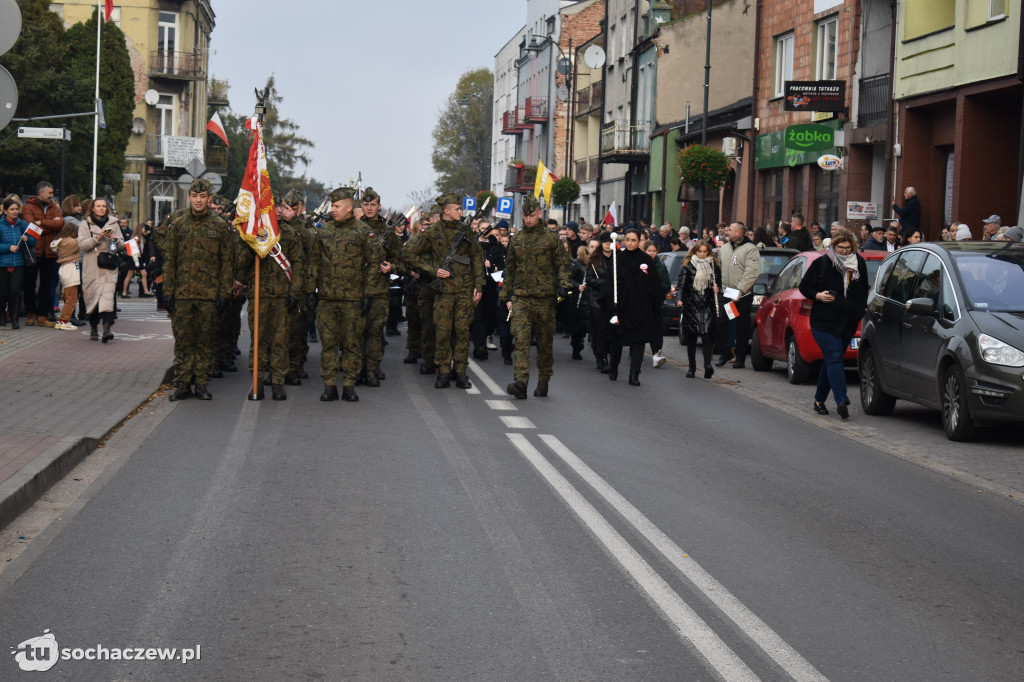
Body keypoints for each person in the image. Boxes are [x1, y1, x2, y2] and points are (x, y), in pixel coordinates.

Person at [161, 179, 234, 401]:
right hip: (182, 294)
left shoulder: (220, 226)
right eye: (195, 196)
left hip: (209, 295)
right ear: (189, 196)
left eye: (203, 197)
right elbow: (170, 259)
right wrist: (168, 291)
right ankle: (183, 383)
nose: (199, 200)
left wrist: (224, 293)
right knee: (183, 340)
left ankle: (201, 383)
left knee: (205, 340)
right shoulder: (178, 224)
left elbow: (227, 261)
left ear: (209, 198)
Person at [404, 193, 484, 390]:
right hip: (443, 292)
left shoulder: (467, 232)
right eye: (457, 208)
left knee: (462, 332)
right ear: (446, 211)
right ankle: (443, 371)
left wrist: (479, 287)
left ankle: (461, 372)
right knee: (442, 333)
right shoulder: (432, 232)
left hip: (465, 291)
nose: (460, 211)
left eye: (460, 208)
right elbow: (408, 253)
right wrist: (432, 270)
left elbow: (477, 261)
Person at [309, 187, 374, 402]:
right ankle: (329, 385)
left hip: (353, 299)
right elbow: (314, 263)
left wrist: (368, 294)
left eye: (337, 206)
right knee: (328, 344)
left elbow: (373, 265)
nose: (333, 210)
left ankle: (348, 385)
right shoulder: (323, 231)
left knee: (351, 344)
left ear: (349, 207)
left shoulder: (363, 232)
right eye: (332, 206)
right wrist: (311, 290)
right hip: (327, 299)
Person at [501, 195, 570, 398]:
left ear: (539, 213)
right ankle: (520, 382)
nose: (529, 219)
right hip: (521, 298)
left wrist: (564, 286)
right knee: (521, 341)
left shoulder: (551, 238)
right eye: (525, 215)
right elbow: (510, 270)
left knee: (544, 343)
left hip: (545, 299)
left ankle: (544, 379)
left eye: (532, 215)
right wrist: (504, 295)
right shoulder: (517, 239)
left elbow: (563, 264)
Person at [798, 227, 869, 420]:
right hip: (823, 321)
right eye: (841, 247)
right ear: (834, 246)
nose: (845, 250)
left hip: (848, 321)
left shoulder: (858, 263)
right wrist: (818, 295)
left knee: (831, 361)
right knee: (836, 357)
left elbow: (863, 290)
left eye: (848, 247)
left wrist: (859, 310)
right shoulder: (823, 263)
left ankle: (819, 400)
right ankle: (841, 400)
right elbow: (804, 286)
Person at [606, 228, 663, 385]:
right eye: (628, 240)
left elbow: (654, 285)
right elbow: (610, 284)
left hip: (641, 308)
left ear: (639, 242)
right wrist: (612, 306)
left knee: (638, 342)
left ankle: (634, 374)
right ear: (623, 241)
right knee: (617, 341)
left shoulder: (646, 260)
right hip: (621, 307)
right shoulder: (617, 259)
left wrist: (654, 306)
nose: (630, 243)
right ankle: (613, 367)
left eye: (634, 240)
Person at [357, 187, 400, 386]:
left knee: (375, 332)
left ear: (379, 206)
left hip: (380, 291)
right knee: (357, 332)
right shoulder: (355, 229)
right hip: (357, 291)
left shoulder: (388, 232)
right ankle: (358, 369)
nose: (369, 208)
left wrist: (392, 266)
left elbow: (401, 260)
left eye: (373, 205)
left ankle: (372, 369)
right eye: (366, 204)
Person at [78, 198, 125, 343]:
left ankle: (106, 329)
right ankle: (93, 328)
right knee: (92, 297)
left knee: (108, 297)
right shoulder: (85, 224)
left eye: (104, 206)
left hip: (109, 266)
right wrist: (97, 237)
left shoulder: (114, 223)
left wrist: (114, 239)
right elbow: (82, 245)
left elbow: (122, 244)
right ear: (92, 208)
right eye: (98, 206)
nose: (101, 208)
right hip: (92, 265)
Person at [715, 222, 761, 368]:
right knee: (722, 321)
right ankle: (726, 352)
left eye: (730, 230)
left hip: (742, 296)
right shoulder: (725, 248)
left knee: (741, 326)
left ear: (739, 233)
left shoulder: (750, 249)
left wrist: (740, 290)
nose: (727, 232)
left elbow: (751, 272)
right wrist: (718, 285)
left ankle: (740, 358)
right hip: (727, 293)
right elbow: (720, 268)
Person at [21, 181, 65, 327]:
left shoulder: (54, 207)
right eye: (50, 193)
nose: (52, 196)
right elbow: (31, 227)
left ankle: (42, 315)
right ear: (41, 192)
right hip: (34, 250)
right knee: (29, 284)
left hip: (50, 252)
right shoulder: (28, 207)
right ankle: (30, 312)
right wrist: (49, 224)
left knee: (46, 285)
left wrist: (41, 223)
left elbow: (60, 224)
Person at [675, 240, 720, 378]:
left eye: (704, 251)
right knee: (691, 339)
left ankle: (707, 365)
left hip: (707, 306)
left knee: (707, 338)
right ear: (695, 251)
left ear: (708, 252)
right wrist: (679, 299)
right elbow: (681, 285)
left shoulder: (714, 266)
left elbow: (719, 284)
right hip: (691, 306)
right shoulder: (688, 266)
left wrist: (717, 289)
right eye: (699, 251)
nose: (702, 254)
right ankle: (692, 367)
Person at [1, 198, 37, 329]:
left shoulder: (23, 224)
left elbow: (34, 242)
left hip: (19, 263)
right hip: (3, 263)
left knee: (15, 291)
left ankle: (15, 319)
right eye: (11, 209)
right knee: (3, 292)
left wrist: (28, 239)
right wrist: (7, 247)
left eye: (16, 209)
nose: (15, 212)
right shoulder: (0, 225)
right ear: (5, 211)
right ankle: (2, 317)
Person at [643, 240, 671, 367]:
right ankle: (636, 350)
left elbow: (667, 285)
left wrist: (657, 287)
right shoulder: (641, 265)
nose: (651, 253)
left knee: (656, 330)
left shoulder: (661, 267)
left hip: (656, 303)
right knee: (642, 328)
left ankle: (656, 354)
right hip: (642, 303)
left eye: (654, 251)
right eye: (649, 251)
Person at [51, 221, 82, 329]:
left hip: (65, 268)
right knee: (71, 299)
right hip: (70, 269)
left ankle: (62, 320)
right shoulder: (70, 242)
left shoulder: (60, 241)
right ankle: (64, 321)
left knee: (69, 297)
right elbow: (83, 242)